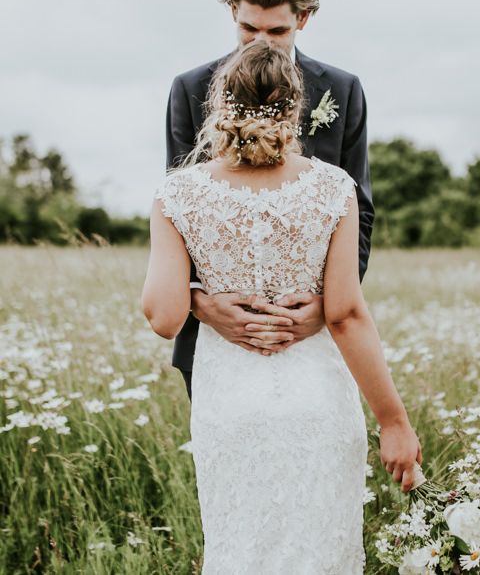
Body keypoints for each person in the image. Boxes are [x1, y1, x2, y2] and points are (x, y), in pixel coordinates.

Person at [142, 41, 421, 573]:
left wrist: (199, 292)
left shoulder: (177, 195)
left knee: (240, 552)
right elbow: (344, 315)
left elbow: (163, 318)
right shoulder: (334, 189)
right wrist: (393, 421)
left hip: (230, 407)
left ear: (219, 107)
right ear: (295, 110)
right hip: (317, 403)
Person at [165, 0, 375, 402]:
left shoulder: (341, 90)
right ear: (231, 13)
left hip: (312, 335)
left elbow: (359, 212)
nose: (261, 42)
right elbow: (177, 213)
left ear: (305, 18)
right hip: (214, 340)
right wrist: (202, 305)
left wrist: (327, 308)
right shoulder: (190, 89)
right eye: (248, 28)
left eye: (276, 30)